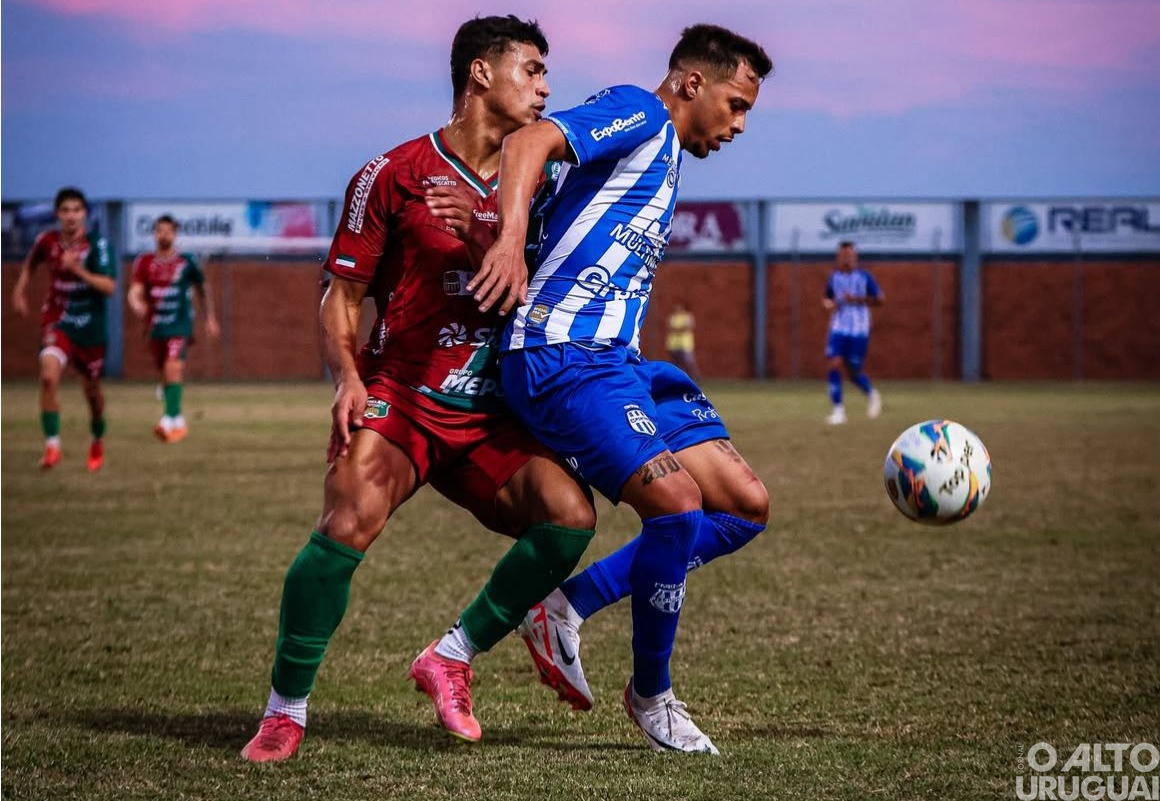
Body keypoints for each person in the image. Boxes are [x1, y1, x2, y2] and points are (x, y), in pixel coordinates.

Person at [240, 15, 597, 763]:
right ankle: (284, 710)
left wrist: (483, 229)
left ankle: (451, 655)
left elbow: (548, 292)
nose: (546, 87)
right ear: (479, 74)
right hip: (401, 398)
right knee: (343, 525)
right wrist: (345, 378)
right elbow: (341, 295)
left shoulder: (548, 183)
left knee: (567, 519)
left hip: (492, 411)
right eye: (531, 69)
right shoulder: (391, 173)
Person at [470, 24, 773, 755]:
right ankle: (652, 696)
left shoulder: (666, 158)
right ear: (692, 84)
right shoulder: (639, 110)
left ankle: (568, 605)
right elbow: (527, 142)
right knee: (677, 506)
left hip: (621, 361)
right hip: (560, 350)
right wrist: (506, 241)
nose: (737, 126)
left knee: (743, 506)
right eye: (734, 105)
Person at [10, 187, 116, 471]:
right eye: (65, 210)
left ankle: (96, 438)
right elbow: (29, 265)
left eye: (76, 210)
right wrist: (19, 291)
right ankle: (52, 447)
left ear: (85, 214)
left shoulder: (98, 245)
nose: (71, 216)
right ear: (57, 214)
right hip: (58, 319)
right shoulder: (47, 241)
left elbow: (109, 287)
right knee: (48, 378)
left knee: (92, 392)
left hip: (90, 326)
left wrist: (79, 270)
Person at [127, 215, 221, 442]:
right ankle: (178, 420)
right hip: (155, 327)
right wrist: (136, 302)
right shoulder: (145, 262)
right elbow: (135, 290)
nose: (164, 235)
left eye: (168, 231)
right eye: (160, 230)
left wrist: (210, 317)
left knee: (173, 368)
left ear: (175, 233)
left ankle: (167, 420)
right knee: (166, 376)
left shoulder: (186, 261)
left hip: (179, 325)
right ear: (154, 233)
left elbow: (202, 288)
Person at [823, 240, 883, 424]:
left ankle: (872, 394)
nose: (846, 258)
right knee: (834, 364)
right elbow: (827, 297)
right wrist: (828, 304)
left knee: (853, 371)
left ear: (855, 256)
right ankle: (838, 411)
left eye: (849, 255)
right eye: (843, 255)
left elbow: (880, 299)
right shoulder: (834, 277)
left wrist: (856, 299)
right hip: (839, 327)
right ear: (839, 257)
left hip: (859, 330)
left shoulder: (865, 277)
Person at [665, 301, 701, 382]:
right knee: (675, 364)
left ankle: (695, 379)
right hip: (673, 344)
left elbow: (688, 327)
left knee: (689, 363)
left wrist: (677, 329)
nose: (678, 308)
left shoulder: (688, 317)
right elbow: (671, 327)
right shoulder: (672, 317)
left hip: (685, 344)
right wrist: (681, 328)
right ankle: (678, 380)